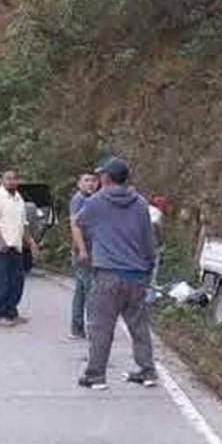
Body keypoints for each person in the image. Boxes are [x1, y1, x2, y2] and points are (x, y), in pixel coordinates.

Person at [73, 157, 157, 390]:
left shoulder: (97, 201)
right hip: (137, 274)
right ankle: (147, 371)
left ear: (106, 178)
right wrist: (149, 266)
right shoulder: (140, 203)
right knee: (138, 325)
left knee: (101, 326)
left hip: (108, 274)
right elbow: (148, 239)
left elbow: (79, 222)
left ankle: (96, 375)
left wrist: (93, 243)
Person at [0, 169, 39, 327]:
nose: (12, 181)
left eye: (15, 178)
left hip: (16, 246)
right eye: (8, 178)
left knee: (16, 282)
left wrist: (31, 243)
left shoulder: (18, 199)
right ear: (1, 180)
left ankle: (11, 312)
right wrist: (0, 241)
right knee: (1, 282)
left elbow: (24, 224)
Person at [68, 171, 101, 338]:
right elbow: (75, 226)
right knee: (91, 290)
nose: (90, 184)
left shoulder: (91, 200)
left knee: (81, 290)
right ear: (79, 183)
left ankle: (77, 327)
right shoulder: (79, 200)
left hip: (91, 250)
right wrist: (82, 250)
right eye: (86, 180)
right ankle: (93, 328)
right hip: (85, 252)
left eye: (93, 180)